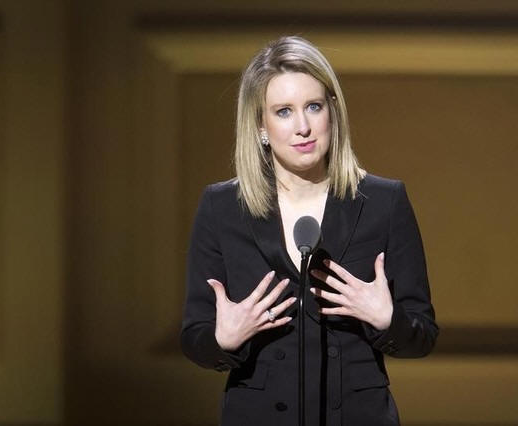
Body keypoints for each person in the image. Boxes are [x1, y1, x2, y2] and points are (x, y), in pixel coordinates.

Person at [181, 35, 438, 426]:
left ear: (332, 111)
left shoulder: (384, 202)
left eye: (313, 107)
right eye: (284, 111)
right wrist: (224, 340)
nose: (303, 127)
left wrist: (387, 319)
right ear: (260, 125)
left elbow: (423, 335)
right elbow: (195, 337)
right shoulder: (222, 208)